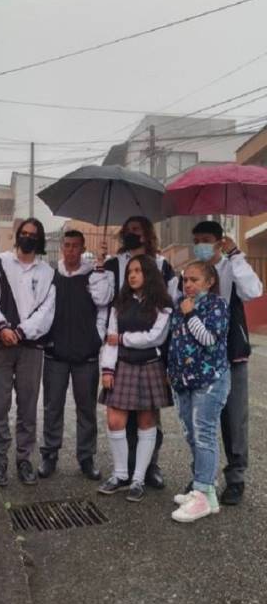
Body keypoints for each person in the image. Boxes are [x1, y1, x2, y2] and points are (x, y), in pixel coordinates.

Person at [188, 220, 263, 505]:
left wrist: (237, 256)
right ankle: (202, 477)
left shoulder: (233, 266)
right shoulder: (194, 272)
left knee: (233, 420)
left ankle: (235, 479)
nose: (201, 245)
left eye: (206, 239)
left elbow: (253, 291)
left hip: (231, 354)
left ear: (220, 241)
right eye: (196, 239)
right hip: (201, 356)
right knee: (199, 420)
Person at [101, 216, 177, 489]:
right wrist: (107, 369)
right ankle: (121, 473)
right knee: (115, 419)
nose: (132, 274)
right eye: (130, 271)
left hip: (151, 362)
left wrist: (122, 339)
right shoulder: (116, 285)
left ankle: (141, 475)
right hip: (122, 364)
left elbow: (156, 335)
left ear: (147, 234)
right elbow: (108, 337)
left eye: (138, 271)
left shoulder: (162, 280)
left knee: (148, 420)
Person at [0, 218, 56, 487]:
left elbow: (47, 312)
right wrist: (2, 328)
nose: (27, 238)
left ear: (40, 239)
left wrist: (21, 332)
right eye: (23, 234)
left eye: (32, 235)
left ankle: (24, 459)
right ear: (16, 236)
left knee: (27, 407)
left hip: (31, 349)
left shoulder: (47, 272)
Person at [39, 230, 109, 480]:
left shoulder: (94, 276)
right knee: (52, 406)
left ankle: (86, 458)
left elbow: (103, 307)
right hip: (55, 353)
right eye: (66, 245)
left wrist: (97, 338)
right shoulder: (51, 275)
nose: (70, 250)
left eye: (75, 246)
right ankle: (49, 454)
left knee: (86, 409)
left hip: (86, 355)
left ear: (82, 249)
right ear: (61, 248)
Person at [167, 261, 229, 522]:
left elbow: (209, 339)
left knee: (204, 433)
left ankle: (201, 492)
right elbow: (174, 340)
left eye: (194, 280)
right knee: (191, 433)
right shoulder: (179, 305)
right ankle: (209, 492)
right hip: (183, 381)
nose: (188, 284)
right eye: (185, 280)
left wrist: (191, 315)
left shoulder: (217, 305)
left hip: (208, 380)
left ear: (209, 282)